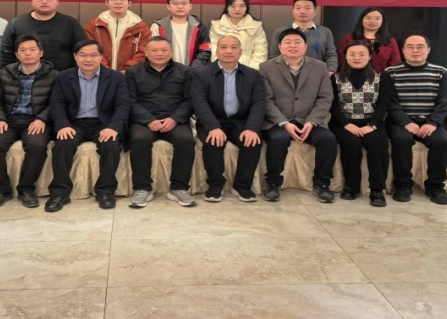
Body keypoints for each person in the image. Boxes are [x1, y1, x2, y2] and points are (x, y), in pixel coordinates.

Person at [46, 39, 131, 211]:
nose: (88, 59)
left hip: (102, 123)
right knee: (62, 145)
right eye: (83, 55)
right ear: (75, 57)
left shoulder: (115, 77)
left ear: (101, 57)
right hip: (74, 123)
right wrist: (62, 125)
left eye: (93, 55)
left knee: (111, 145)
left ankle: (105, 191)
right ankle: (59, 193)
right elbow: (57, 103)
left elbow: (123, 104)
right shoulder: (64, 76)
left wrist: (113, 127)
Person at [259, 28, 337, 203]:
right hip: (278, 121)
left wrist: (312, 122)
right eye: (288, 42)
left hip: (308, 120)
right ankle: (273, 183)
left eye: (297, 42)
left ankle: (322, 184)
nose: (292, 46)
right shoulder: (266, 67)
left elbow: (325, 98)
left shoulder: (320, 67)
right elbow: (265, 100)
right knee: (278, 139)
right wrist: (284, 123)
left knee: (328, 139)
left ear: (305, 46)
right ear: (280, 46)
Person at [0, 34, 57, 209]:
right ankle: (1, 190)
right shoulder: (4, 74)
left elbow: (56, 102)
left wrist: (42, 119)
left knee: (37, 146)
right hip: (9, 120)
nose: (28, 53)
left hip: (36, 120)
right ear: (17, 54)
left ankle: (26, 189)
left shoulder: (54, 75)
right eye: (23, 50)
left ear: (41, 53)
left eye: (32, 49)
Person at [191, 35, 265, 202]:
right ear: (216, 51)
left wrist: (252, 128)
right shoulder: (201, 74)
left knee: (253, 142)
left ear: (240, 51)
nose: (228, 51)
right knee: (212, 142)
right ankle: (215, 185)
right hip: (212, 121)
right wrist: (213, 127)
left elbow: (259, 103)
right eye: (223, 47)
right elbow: (199, 103)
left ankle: (242, 186)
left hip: (241, 122)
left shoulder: (253, 75)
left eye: (233, 47)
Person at [125, 36, 196, 208]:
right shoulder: (133, 72)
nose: (159, 54)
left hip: (174, 119)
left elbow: (190, 100)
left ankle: (179, 188)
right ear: (146, 52)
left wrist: (175, 119)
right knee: (139, 140)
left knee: (186, 140)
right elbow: (129, 101)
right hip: (144, 120)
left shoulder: (185, 71)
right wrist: (148, 120)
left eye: (164, 50)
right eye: (154, 50)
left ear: (171, 52)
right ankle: (142, 188)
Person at [383, 35, 447, 205]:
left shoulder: (441, 72)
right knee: (401, 140)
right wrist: (406, 122)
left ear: (428, 50)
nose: (415, 50)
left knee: (441, 142)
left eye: (420, 47)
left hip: (430, 121)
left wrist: (433, 122)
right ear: (403, 50)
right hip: (400, 122)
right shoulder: (391, 72)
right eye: (410, 47)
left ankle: (435, 186)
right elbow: (390, 102)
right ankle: (403, 185)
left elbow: (444, 101)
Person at [329, 40, 390, 207]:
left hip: (372, 122)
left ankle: (377, 189)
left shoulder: (381, 77)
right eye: (352, 54)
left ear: (369, 56)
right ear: (345, 56)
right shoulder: (335, 78)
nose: (357, 57)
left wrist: (372, 125)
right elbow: (333, 105)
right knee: (351, 143)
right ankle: (351, 186)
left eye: (362, 54)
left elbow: (384, 103)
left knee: (377, 143)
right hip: (344, 123)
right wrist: (346, 124)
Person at [0, 0, 86, 71]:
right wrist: (9, 76)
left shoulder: (71, 23)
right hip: (24, 77)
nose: (44, 1)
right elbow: (5, 54)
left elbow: (83, 51)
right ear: (32, 1)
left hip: (63, 76)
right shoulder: (16, 24)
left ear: (57, 1)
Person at [84, 0, 151, 73]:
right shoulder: (94, 25)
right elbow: (90, 49)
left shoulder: (140, 26)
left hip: (130, 75)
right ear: (106, 2)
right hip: (99, 73)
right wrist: (105, 70)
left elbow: (144, 51)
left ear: (129, 3)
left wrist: (127, 70)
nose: (118, 3)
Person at [268, 0, 338, 74]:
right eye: (298, 8)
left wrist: (329, 71)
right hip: (286, 75)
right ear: (293, 11)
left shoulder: (325, 32)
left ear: (315, 12)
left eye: (307, 8)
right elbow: (274, 56)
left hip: (318, 75)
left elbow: (331, 55)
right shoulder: (280, 31)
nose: (302, 11)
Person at [150, 0, 211, 68]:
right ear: (168, 6)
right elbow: (152, 50)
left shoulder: (199, 27)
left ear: (190, 6)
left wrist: (192, 69)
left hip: (193, 71)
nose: (180, 7)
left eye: (184, 3)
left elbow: (205, 51)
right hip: (164, 71)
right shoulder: (157, 27)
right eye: (175, 3)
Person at [209, 0, 268, 70]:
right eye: (233, 6)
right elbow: (213, 49)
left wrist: (250, 71)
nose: (237, 9)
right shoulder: (216, 26)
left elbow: (260, 51)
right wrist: (222, 68)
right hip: (222, 69)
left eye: (242, 6)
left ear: (247, 7)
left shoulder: (256, 26)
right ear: (227, 7)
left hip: (249, 69)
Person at [337, 7, 401, 73]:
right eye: (368, 18)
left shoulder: (390, 41)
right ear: (362, 20)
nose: (372, 21)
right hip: (351, 75)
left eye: (377, 18)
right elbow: (341, 61)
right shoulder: (349, 38)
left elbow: (395, 64)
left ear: (383, 21)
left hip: (382, 77)